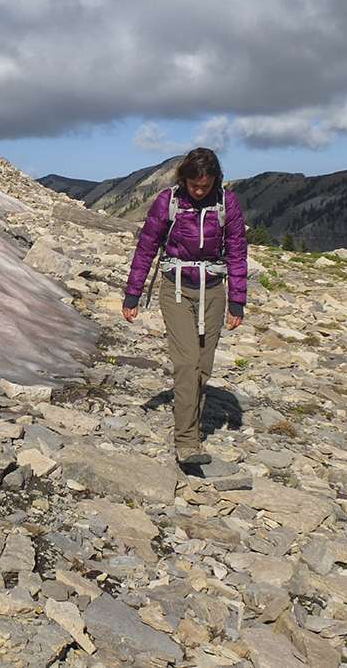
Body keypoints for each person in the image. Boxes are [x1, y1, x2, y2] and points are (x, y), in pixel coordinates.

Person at [122, 148, 247, 466]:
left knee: (203, 368)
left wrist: (237, 301)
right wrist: (132, 295)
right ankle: (187, 442)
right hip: (176, 290)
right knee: (187, 363)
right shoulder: (169, 201)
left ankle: (190, 424)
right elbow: (147, 245)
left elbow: (236, 251)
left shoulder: (225, 203)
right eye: (195, 185)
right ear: (185, 180)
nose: (200, 191)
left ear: (216, 179)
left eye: (205, 185)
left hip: (214, 291)